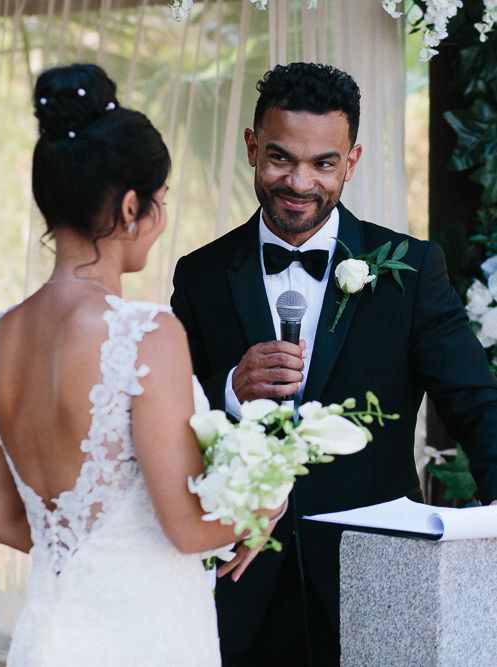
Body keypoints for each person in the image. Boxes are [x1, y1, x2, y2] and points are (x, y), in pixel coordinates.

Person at [171, 61, 497, 666]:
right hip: (237, 582)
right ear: (250, 147)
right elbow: (168, 416)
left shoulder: (412, 270)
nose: (299, 182)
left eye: (323, 163)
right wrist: (232, 390)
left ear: (352, 160)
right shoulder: (201, 274)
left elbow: (478, 403)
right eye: (280, 158)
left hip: (377, 578)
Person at [0, 63, 282, 667]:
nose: (160, 219)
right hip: (142, 637)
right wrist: (268, 502)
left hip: (49, 634)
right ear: (131, 206)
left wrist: (86, 553)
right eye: (161, 201)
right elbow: (187, 529)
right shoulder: (146, 334)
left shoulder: (3, 333)